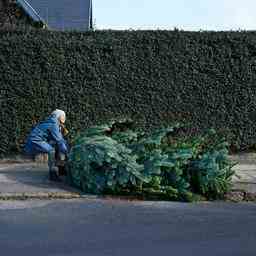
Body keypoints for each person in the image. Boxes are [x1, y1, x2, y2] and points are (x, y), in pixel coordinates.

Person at [24, 109, 68, 182]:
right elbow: (59, 140)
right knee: (52, 151)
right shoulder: (54, 123)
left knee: (57, 146)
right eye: (63, 116)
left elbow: (57, 139)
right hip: (36, 140)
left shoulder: (53, 122)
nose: (64, 118)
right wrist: (67, 152)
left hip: (37, 139)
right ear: (59, 117)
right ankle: (52, 174)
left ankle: (61, 169)